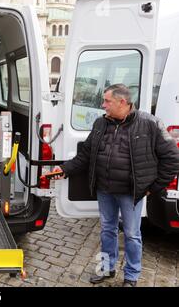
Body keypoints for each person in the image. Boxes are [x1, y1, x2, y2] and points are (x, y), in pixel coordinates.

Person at [51, 84, 179, 287]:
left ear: (122, 102)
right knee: (106, 230)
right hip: (105, 190)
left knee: (131, 234)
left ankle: (131, 276)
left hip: (131, 193)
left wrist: (154, 187)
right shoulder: (101, 124)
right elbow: (85, 155)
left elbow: (173, 159)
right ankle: (106, 268)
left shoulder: (150, 124)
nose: (103, 105)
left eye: (107, 101)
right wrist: (65, 169)